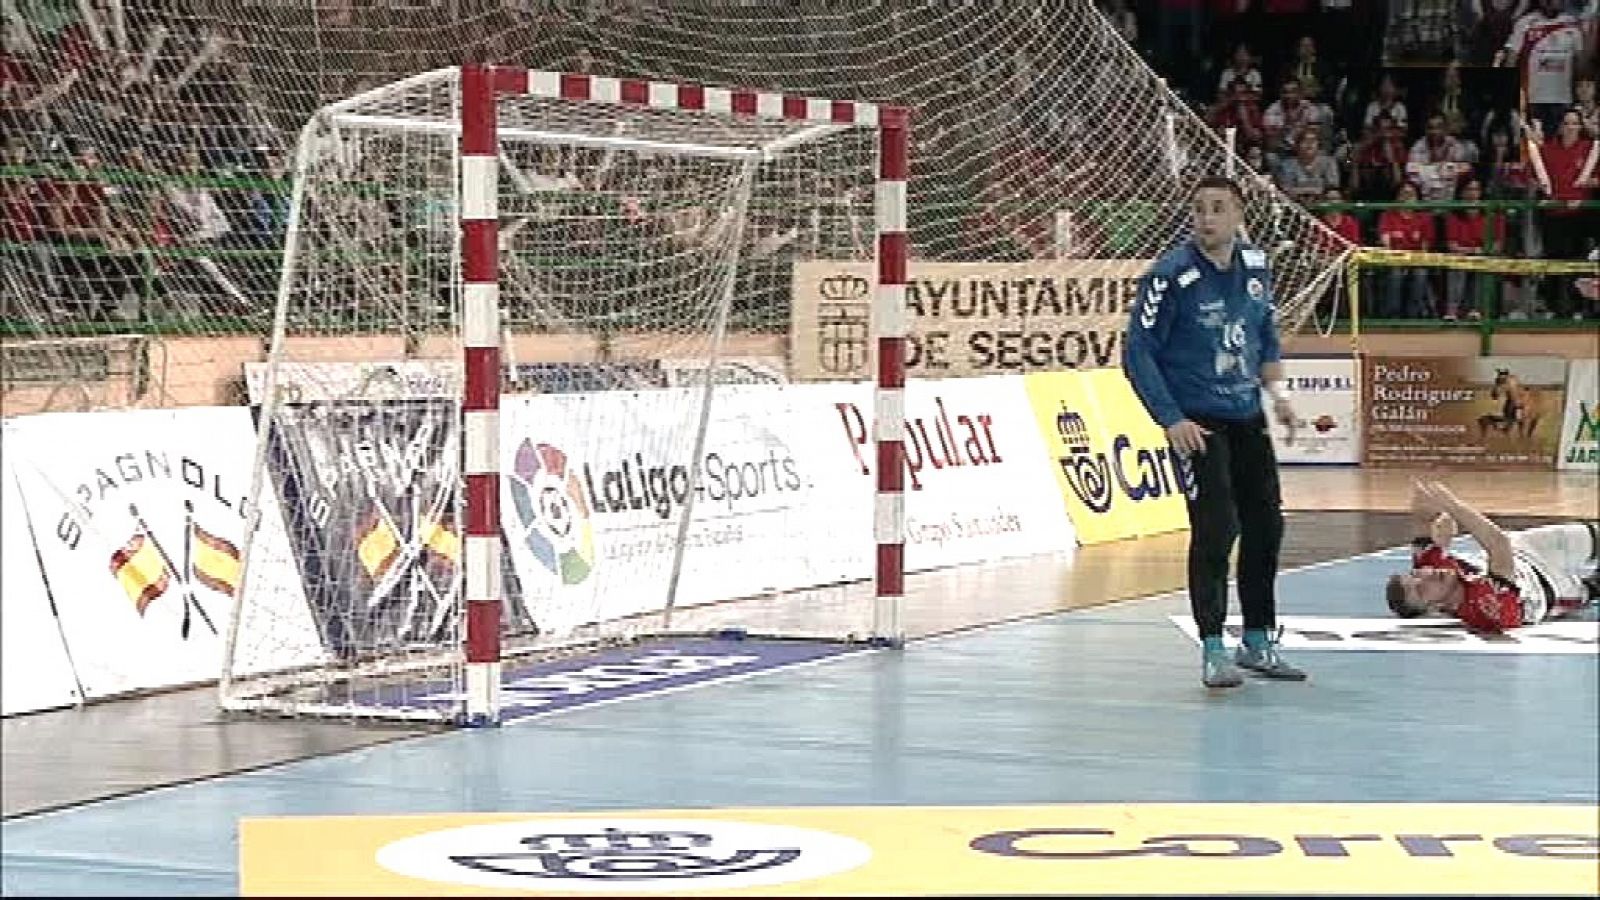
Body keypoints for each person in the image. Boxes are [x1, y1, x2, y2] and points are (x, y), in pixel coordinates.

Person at [1123, 174, 1302, 689]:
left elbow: (1265, 335)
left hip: (1246, 413)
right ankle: (1212, 647)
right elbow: (1137, 353)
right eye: (1199, 208)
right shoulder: (1169, 275)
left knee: (1267, 526)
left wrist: (1280, 396)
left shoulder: (1254, 266)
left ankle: (1259, 640)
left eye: (1218, 208)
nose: (1206, 218)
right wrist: (1171, 418)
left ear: (1238, 214)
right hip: (1197, 423)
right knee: (1217, 526)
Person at [1388, 480, 1599, 631]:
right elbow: (1498, 545)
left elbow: (1422, 518)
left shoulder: (1433, 571)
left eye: (1415, 574)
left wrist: (1428, 503)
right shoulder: (1484, 608)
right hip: (1550, 586)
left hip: (1524, 549)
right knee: (1593, 587)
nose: (1425, 574)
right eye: (1420, 588)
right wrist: (1452, 507)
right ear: (1435, 608)